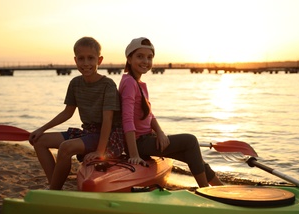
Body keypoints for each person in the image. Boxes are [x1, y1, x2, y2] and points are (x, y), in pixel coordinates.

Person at [119, 37, 223, 188]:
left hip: (147, 139)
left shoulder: (137, 83)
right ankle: (206, 190)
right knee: (190, 140)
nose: (145, 61)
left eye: (149, 57)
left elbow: (149, 115)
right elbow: (126, 119)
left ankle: (220, 188)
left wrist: (160, 132)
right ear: (129, 58)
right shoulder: (129, 83)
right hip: (138, 143)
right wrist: (134, 154)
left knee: (192, 154)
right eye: (139, 56)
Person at [29, 37, 124, 190]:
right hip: (87, 133)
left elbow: (108, 119)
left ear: (99, 60)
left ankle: (54, 189)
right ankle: (54, 185)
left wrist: (100, 151)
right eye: (81, 58)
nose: (86, 63)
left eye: (90, 58)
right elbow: (67, 113)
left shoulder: (108, 85)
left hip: (107, 137)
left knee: (66, 147)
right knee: (39, 141)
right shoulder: (75, 83)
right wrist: (41, 129)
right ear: (75, 60)